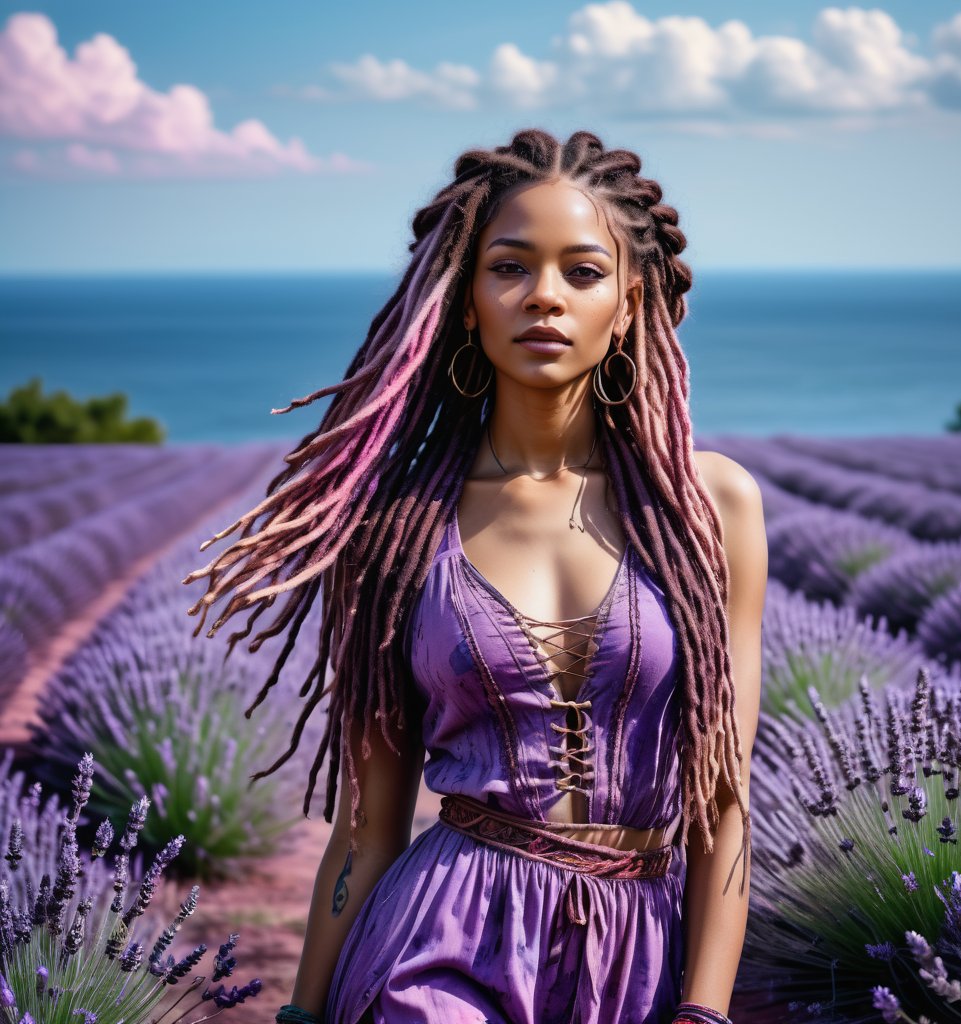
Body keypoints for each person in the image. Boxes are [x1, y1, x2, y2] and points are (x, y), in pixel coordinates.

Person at [183, 128, 767, 1024]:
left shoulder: (711, 506)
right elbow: (366, 831)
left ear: (631, 300)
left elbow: (724, 807)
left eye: (582, 272)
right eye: (508, 268)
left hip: (638, 958)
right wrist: (301, 1015)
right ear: (465, 302)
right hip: (441, 940)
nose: (543, 297)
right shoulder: (397, 524)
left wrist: (705, 1011)